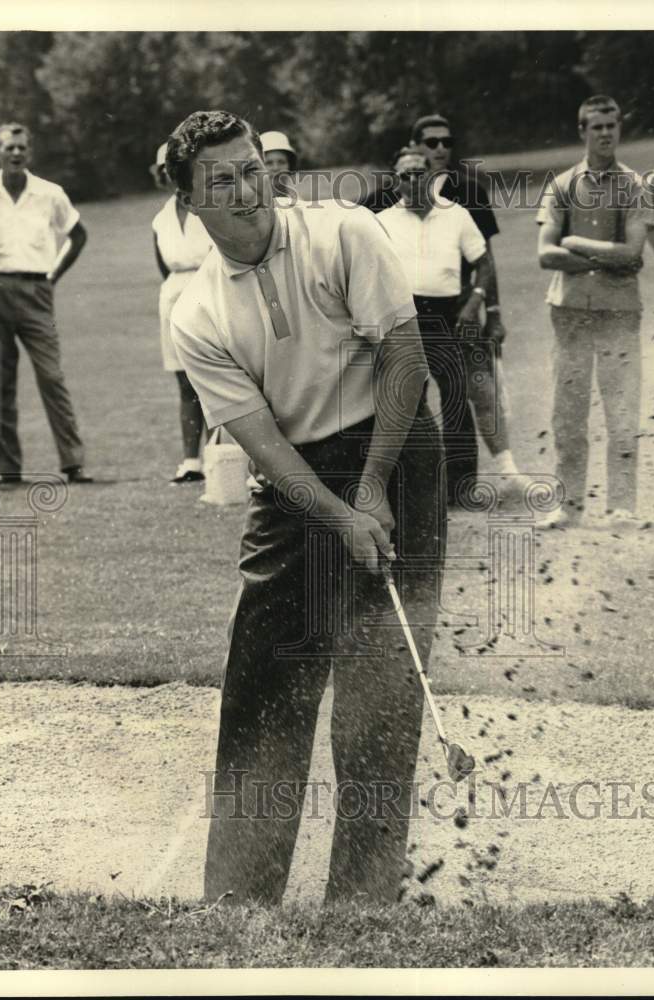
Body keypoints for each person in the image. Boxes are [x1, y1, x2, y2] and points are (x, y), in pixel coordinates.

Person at [168, 110, 446, 906]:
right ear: (190, 206)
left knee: (377, 686)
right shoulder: (195, 314)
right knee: (262, 681)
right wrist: (338, 512)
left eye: (252, 168)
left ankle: (363, 901)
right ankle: (239, 898)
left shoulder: (342, 233)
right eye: (221, 181)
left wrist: (372, 486)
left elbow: (405, 360)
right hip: (294, 481)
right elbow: (267, 449)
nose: (247, 191)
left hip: (395, 447)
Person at [536, 95, 654, 529]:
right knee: (568, 412)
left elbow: (634, 251)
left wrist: (577, 245)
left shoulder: (635, 186)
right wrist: (607, 258)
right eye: (596, 126)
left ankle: (621, 505)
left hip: (620, 312)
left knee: (622, 409)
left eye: (612, 125)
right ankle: (567, 506)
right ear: (582, 131)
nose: (606, 133)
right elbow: (546, 255)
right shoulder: (563, 185)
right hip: (569, 312)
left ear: (620, 128)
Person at [0, 122, 91, 486]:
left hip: (36, 290)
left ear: (29, 153)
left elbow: (78, 235)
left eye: (21, 148)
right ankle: (7, 468)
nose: (15, 153)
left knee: (52, 375)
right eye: (8, 148)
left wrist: (53, 276)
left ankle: (74, 463)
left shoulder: (50, 194)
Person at [377, 147, 509, 507]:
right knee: (408, 403)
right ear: (396, 180)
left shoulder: (456, 215)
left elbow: (483, 262)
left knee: (456, 399)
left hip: (448, 315)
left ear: (431, 176)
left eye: (420, 172)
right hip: (405, 317)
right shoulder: (384, 221)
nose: (413, 180)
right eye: (405, 175)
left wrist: (476, 300)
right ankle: (417, 490)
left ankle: (462, 488)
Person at [411, 113, 524, 499]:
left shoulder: (469, 190)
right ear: (416, 147)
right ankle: (424, 480)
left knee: (479, 388)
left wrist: (491, 310)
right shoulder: (400, 190)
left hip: (463, 307)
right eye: (431, 142)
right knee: (412, 394)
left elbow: (485, 256)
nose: (440, 148)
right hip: (415, 311)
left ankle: (505, 471)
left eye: (447, 141)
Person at [150, 142, 214, 482]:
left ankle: (223, 457)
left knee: (217, 377)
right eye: (164, 171)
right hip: (174, 296)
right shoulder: (160, 218)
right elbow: (164, 266)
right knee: (184, 380)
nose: (170, 176)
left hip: (210, 291)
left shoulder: (208, 204)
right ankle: (192, 461)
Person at [259, 130, 298, 198]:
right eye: (269, 163)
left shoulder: (296, 200)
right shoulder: (250, 203)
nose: (276, 168)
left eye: (282, 162)